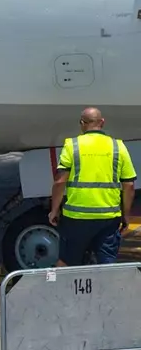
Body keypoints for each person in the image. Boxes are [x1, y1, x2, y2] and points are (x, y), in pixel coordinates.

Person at [48, 108, 136, 266]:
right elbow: (129, 185)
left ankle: (64, 290)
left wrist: (54, 210)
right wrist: (126, 215)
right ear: (102, 122)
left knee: (66, 262)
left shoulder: (72, 145)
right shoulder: (118, 146)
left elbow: (60, 182)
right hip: (109, 218)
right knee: (107, 264)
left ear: (82, 124)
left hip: (76, 218)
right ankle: (107, 290)